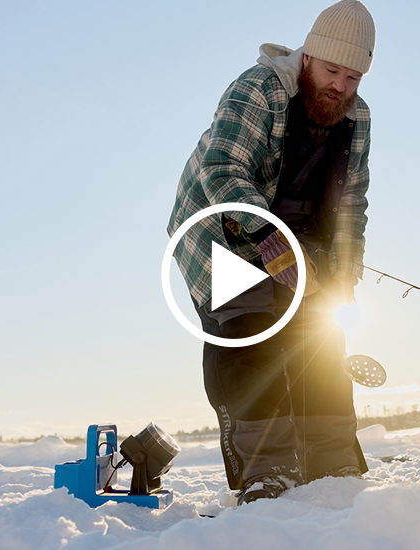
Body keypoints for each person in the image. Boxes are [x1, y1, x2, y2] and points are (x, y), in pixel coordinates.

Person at [166, 0, 375, 504]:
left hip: (300, 246)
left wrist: (344, 271)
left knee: (320, 340)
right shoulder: (256, 89)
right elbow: (224, 171)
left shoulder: (357, 118)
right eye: (331, 71)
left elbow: (352, 201)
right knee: (250, 333)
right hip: (221, 234)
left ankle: (330, 459)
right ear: (308, 58)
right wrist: (269, 240)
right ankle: (267, 470)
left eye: (353, 77)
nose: (340, 87)